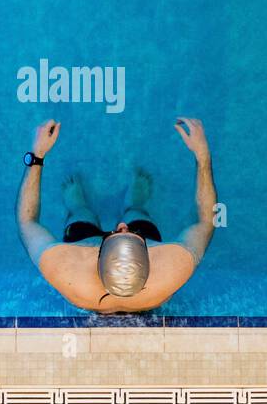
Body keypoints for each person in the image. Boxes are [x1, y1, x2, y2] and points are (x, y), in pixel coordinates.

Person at [16, 117, 217, 313]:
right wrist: (203, 155)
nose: (121, 224)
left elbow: (27, 222)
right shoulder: (174, 268)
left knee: (80, 216)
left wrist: (37, 155)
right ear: (150, 257)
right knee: (136, 214)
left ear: (97, 256)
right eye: (134, 235)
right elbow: (207, 221)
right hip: (151, 285)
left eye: (115, 233)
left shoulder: (65, 270)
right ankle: (134, 204)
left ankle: (78, 206)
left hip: (83, 269)